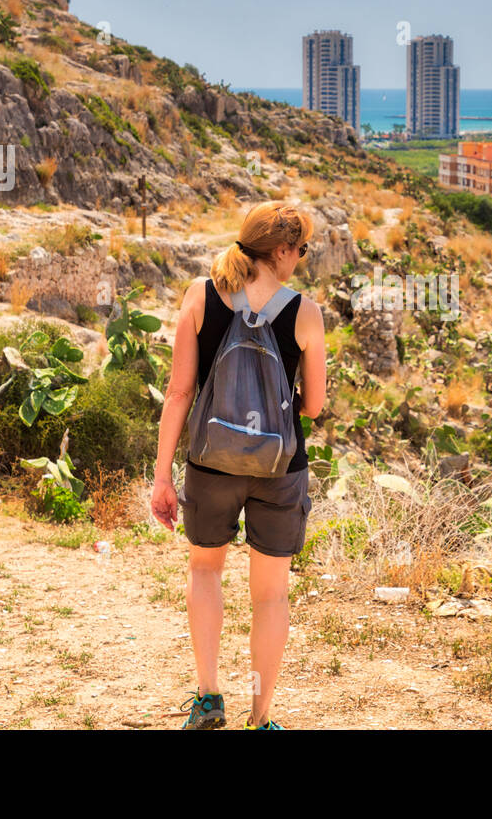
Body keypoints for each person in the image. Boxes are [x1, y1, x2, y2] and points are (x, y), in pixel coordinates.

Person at [150, 202, 326, 730]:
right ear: (281, 251)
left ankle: (209, 699)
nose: (301, 258)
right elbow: (313, 406)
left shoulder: (202, 296)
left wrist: (163, 477)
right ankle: (261, 717)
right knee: (270, 594)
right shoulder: (305, 312)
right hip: (280, 465)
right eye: (301, 249)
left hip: (211, 461)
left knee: (205, 571)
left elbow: (180, 391)